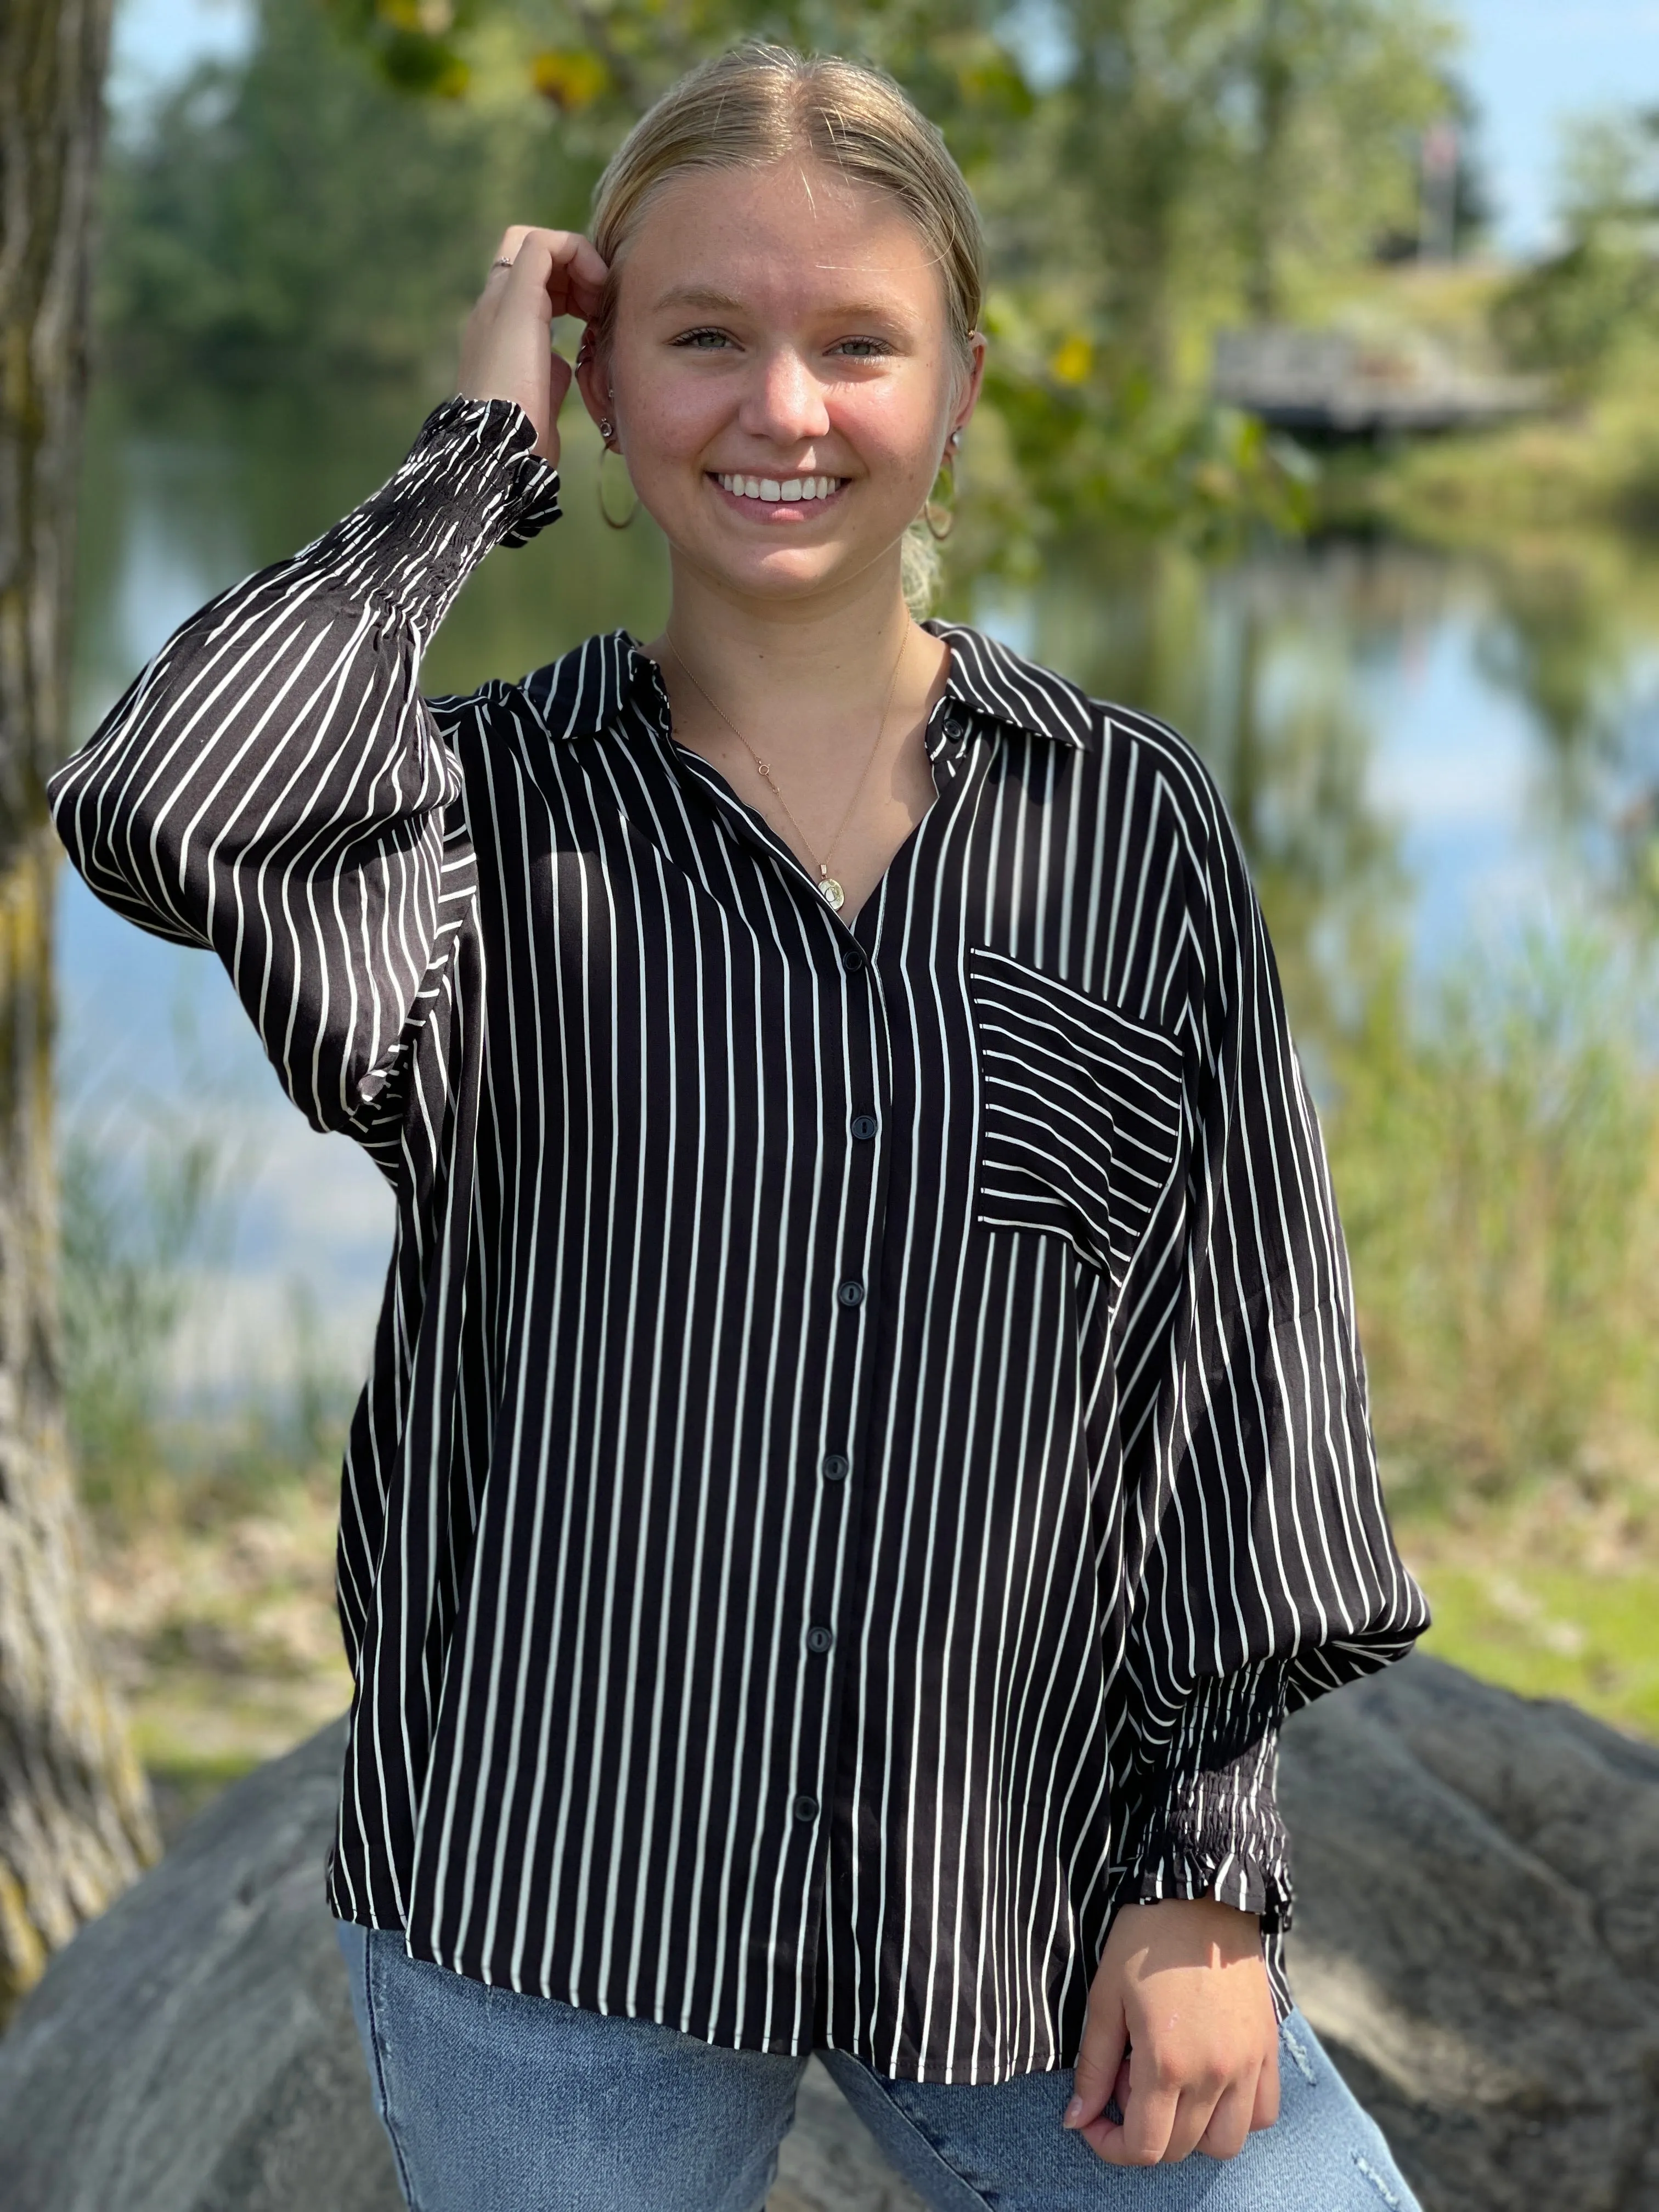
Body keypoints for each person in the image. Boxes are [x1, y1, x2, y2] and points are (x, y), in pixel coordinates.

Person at [48, 41, 1430, 2212]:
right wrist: (465, 454)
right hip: (553, 1912)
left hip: (1024, 1907)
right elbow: (159, 795)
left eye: (856, 343)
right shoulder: (475, 826)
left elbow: (1233, 1374)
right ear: (607, 386)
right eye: (703, 338)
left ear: (958, 382)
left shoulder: (1125, 820)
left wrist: (1208, 1883)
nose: (783, 412)